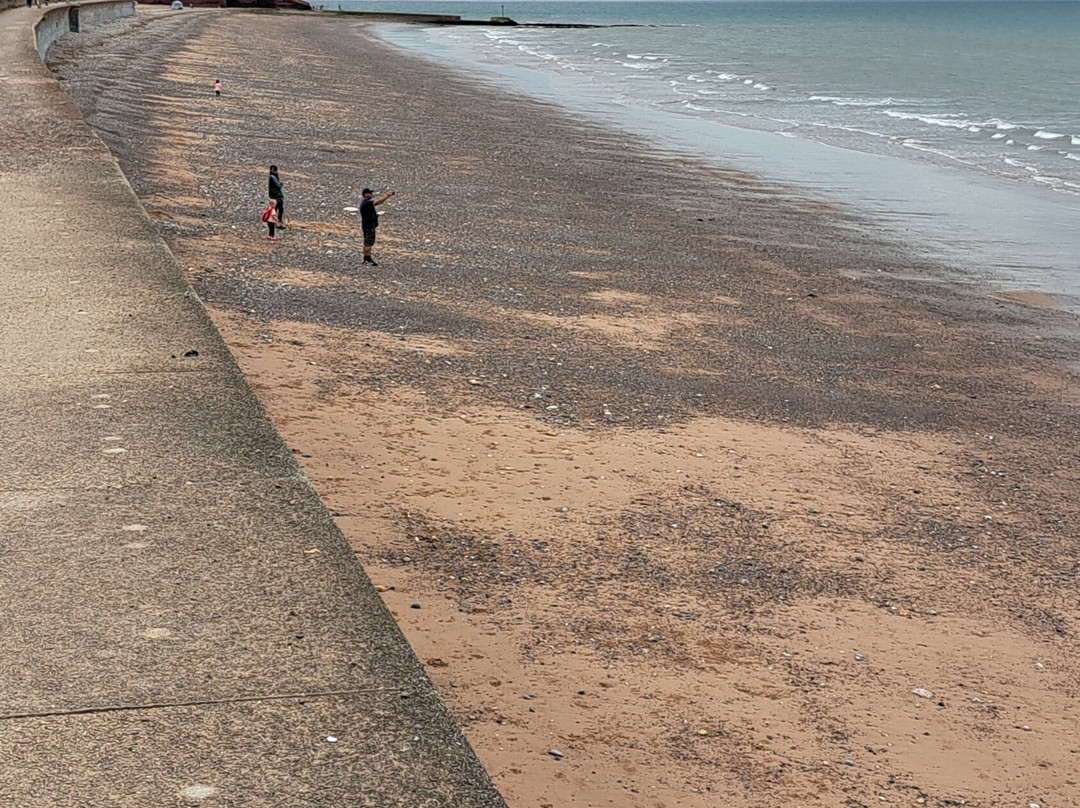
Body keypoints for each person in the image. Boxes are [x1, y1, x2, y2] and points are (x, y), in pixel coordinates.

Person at [359, 187, 394, 266]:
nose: (371, 194)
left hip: (366, 225)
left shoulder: (364, 203)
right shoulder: (366, 203)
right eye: (370, 193)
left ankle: (366, 258)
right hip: (369, 226)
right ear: (365, 194)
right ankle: (368, 258)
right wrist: (387, 196)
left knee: (366, 242)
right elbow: (377, 202)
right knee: (369, 243)